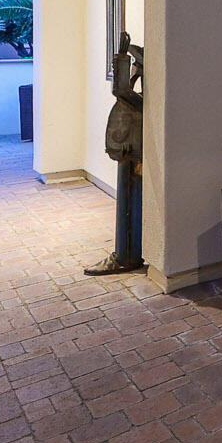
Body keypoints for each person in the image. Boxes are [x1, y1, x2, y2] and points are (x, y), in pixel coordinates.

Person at [85, 33, 146, 275]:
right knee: (128, 205)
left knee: (129, 206)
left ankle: (126, 257)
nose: (135, 71)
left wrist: (121, 60)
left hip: (133, 152)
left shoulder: (139, 101)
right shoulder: (139, 99)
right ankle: (125, 255)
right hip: (127, 150)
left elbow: (121, 90)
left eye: (138, 67)